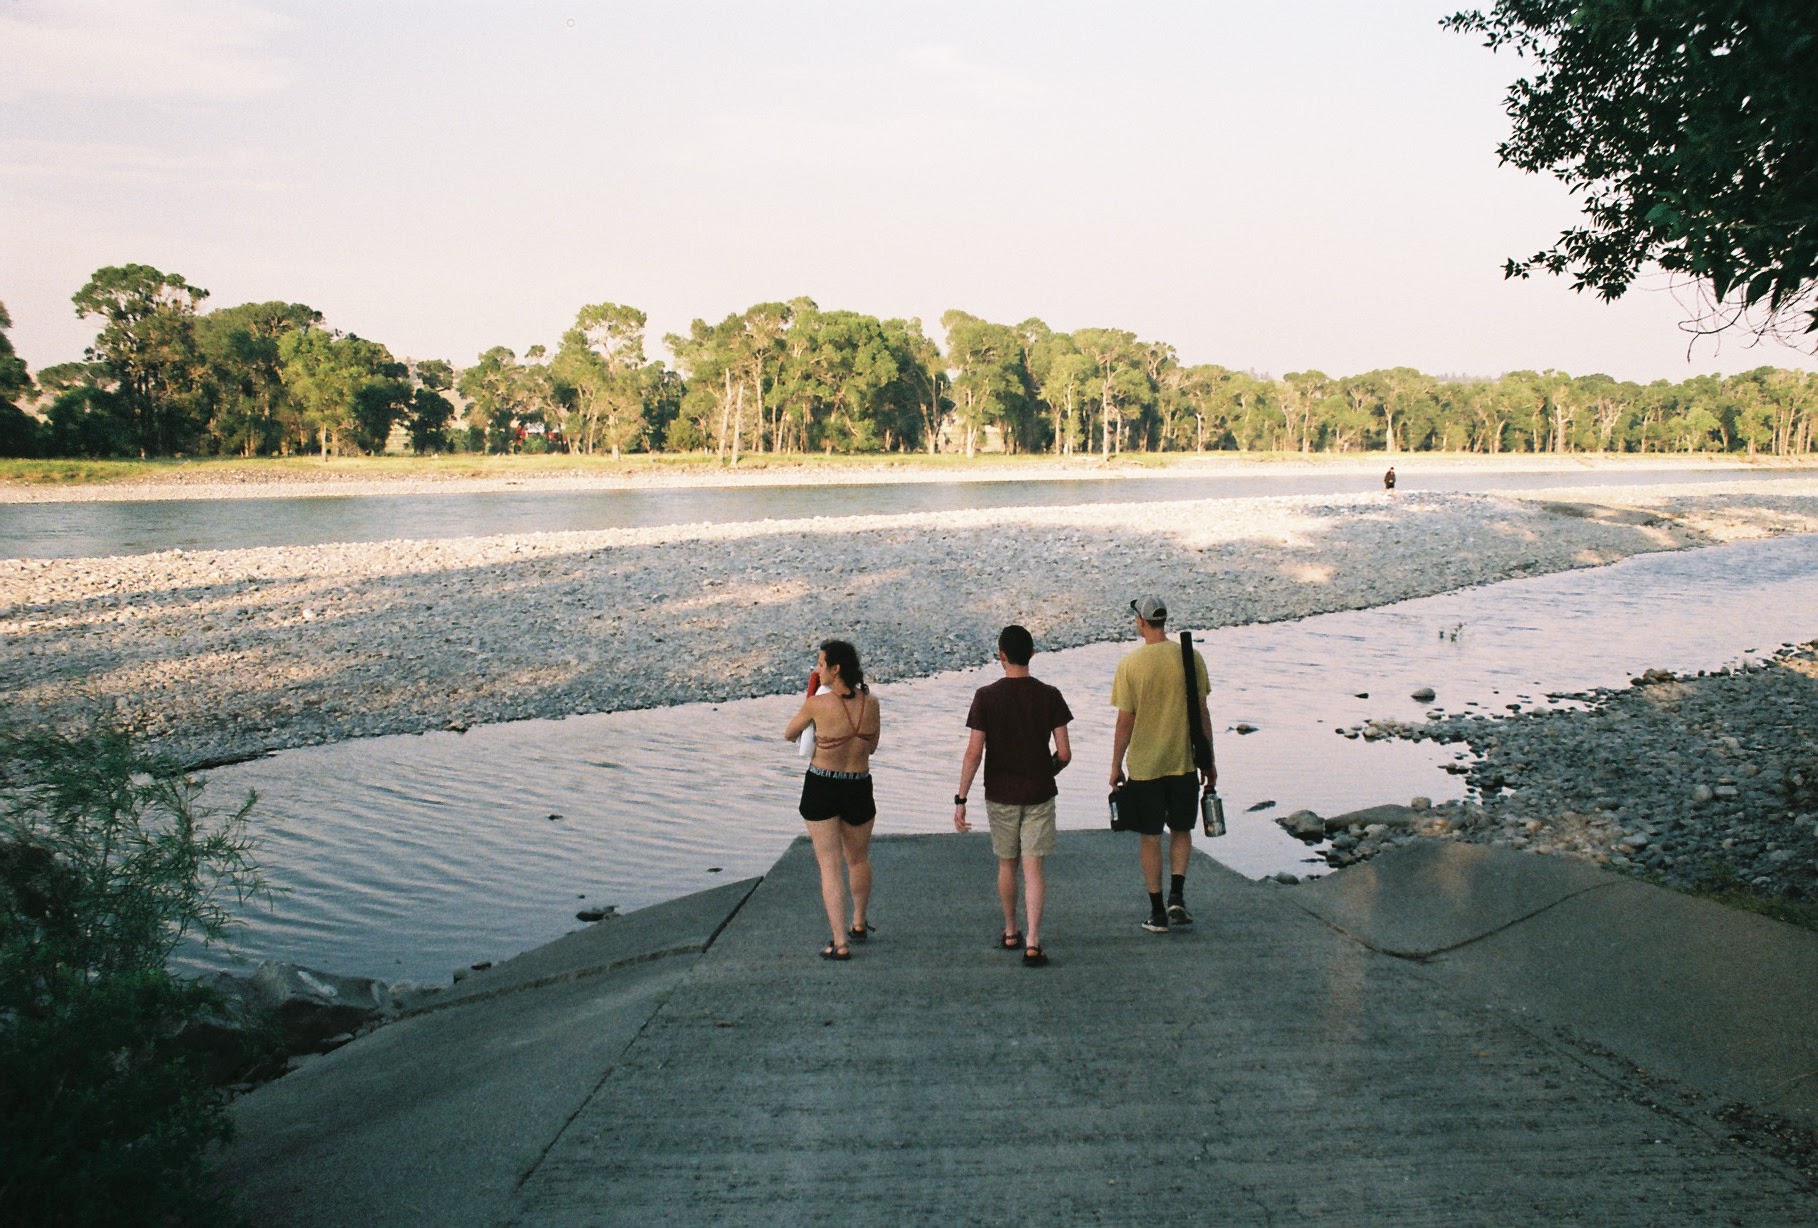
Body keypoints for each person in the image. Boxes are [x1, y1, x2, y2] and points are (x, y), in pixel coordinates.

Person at [952, 625, 1073, 968]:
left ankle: (1010, 930)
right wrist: (1046, 771)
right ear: (1033, 654)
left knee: (1007, 863)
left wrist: (961, 798)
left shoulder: (986, 696)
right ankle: (1033, 941)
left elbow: (974, 753)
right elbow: (1063, 753)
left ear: (1001, 656)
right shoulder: (1050, 695)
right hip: (1039, 792)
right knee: (1034, 868)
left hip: (1001, 793)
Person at [1109, 595, 1215, 934]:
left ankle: (1156, 913)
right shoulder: (1190, 657)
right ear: (1163, 621)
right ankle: (1177, 897)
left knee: (1150, 836)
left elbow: (1125, 720)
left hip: (1144, 765)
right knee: (1181, 830)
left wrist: (1115, 765)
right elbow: (1202, 712)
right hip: (1183, 761)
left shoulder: (1131, 664)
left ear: (1141, 622)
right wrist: (1209, 760)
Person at [783, 639, 881, 961]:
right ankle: (859, 923)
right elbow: (872, 747)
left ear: (836, 668)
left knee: (829, 866)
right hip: (859, 784)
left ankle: (840, 943)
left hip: (823, 784)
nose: (817, 669)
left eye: (821, 663)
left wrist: (812, 708)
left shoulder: (817, 705)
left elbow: (789, 733)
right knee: (858, 859)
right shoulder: (872, 703)